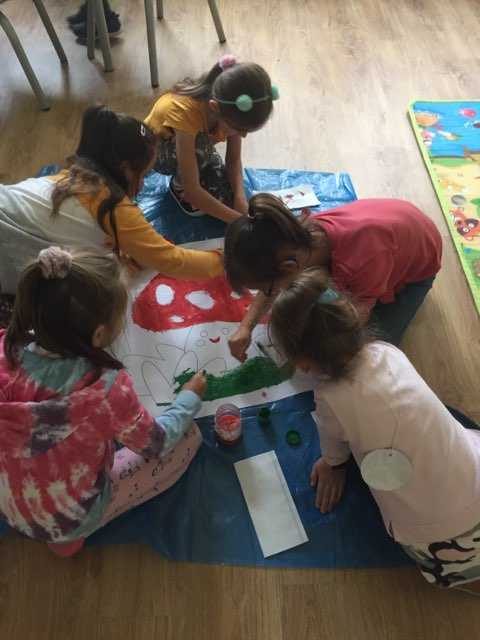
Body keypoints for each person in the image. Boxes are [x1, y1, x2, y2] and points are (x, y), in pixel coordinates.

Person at [269, 268, 480, 592]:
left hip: (438, 543)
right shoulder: (389, 352)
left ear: (303, 363)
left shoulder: (330, 397)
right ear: (353, 318)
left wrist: (331, 465)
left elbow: (333, 446)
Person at [0, 246, 207, 557]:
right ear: (98, 335)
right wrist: (189, 398)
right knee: (188, 438)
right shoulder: (104, 390)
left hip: (9, 503)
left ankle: (57, 534)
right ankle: (67, 539)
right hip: (66, 519)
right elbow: (157, 443)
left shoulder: (6, 346)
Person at [0, 105, 223, 302]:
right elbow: (172, 261)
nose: (143, 184)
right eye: (143, 175)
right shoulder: (115, 208)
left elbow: (75, 231)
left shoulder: (67, 177)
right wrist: (226, 259)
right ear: (126, 169)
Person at [224, 193, 442, 360]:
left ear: (289, 267)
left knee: (369, 351)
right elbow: (275, 282)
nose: (269, 294)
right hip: (393, 227)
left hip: (416, 271)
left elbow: (356, 317)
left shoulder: (360, 262)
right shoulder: (295, 240)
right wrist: (245, 327)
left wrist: (311, 349)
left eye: (269, 289)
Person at [144, 55, 278, 221]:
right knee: (201, 150)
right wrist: (240, 222)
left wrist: (239, 198)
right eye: (240, 129)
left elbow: (234, 160)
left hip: (196, 146)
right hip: (156, 153)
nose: (243, 135)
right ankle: (178, 185)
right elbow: (192, 190)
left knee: (226, 192)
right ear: (215, 108)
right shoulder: (185, 113)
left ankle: (197, 170)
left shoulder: (231, 110)